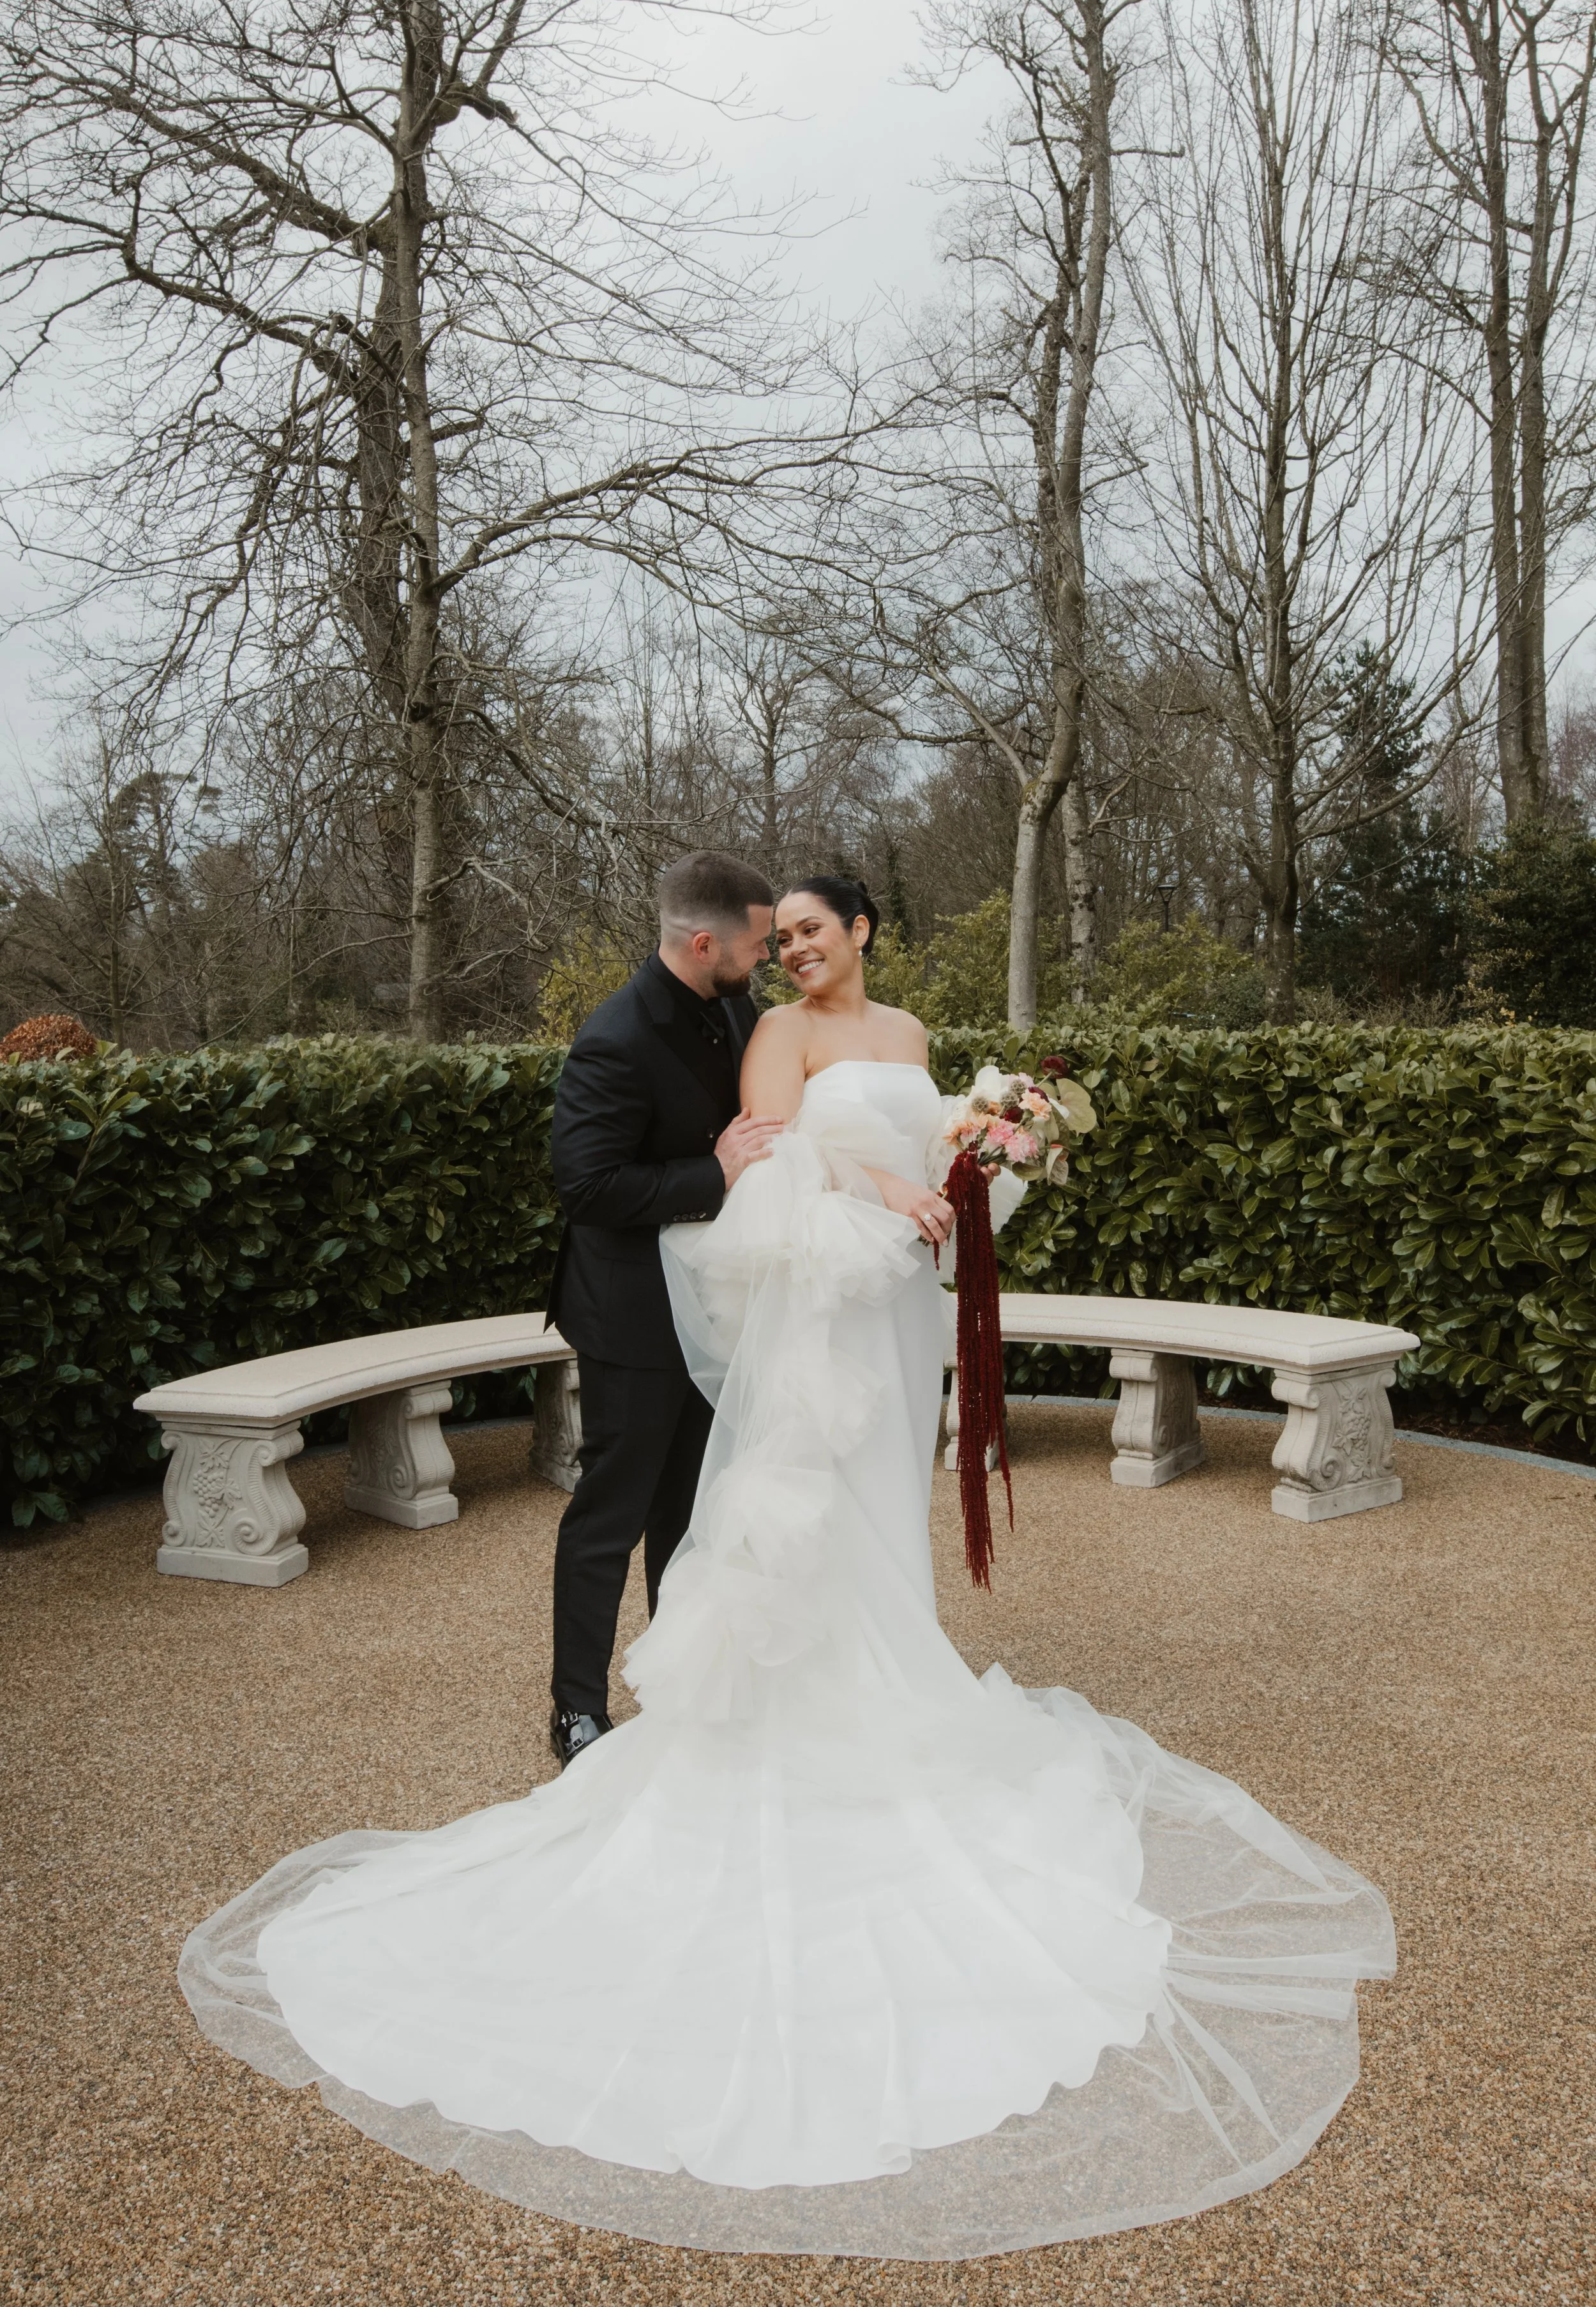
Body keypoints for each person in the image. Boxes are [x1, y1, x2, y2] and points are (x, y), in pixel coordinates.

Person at [179, 874, 1395, 2263]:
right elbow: (748, 1167)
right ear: (729, 942)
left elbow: (916, 1144)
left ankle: (792, 1659)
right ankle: (600, 1704)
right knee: (680, 1503)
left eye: (812, 928)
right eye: (777, 932)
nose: (792, 946)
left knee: (820, 1511)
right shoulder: (710, 1033)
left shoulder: (869, 1019)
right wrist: (864, 1181)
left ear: (861, 934)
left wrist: (982, 1159)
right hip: (789, 1303)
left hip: (893, 1304)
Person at [543, 851, 780, 1767]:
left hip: (711, 1312)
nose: (762, 961)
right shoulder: (616, 1036)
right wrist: (710, 1175)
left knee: (688, 1512)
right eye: (755, 946)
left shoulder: (734, 1006)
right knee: (613, 1512)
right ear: (703, 939)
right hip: (633, 1318)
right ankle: (575, 1707)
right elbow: (586, 1183)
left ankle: (676, 1687)